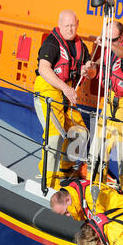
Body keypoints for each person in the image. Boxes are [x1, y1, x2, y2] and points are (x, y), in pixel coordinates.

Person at [34, 10, 96, 188]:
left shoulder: (80, 46)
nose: (70, 29)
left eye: (73, 25)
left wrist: (88, 70)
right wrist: (66, 88)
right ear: (60, 25)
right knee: (54, 136)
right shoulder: (52, 44)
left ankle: (65, 170)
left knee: (81, 133)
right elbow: (44, 69)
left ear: (78, 24)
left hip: (66, 94)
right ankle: (49, 181)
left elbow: (91, 73)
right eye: (67, 25)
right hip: (49, 91)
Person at [86, 21, 123, 197]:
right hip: (110, 100)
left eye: (112, 39)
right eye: (106, 38)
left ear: (121, 36)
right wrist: (91, 67)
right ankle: (94, 185)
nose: (108, 42)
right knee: (98, 145)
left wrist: (108, 44)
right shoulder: (110, 46)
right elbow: (103, 64)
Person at [50, 178, 123, 221]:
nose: (68, 215)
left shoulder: (92, 195)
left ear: (67, 200)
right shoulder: (79, 200)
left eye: (66, 212)